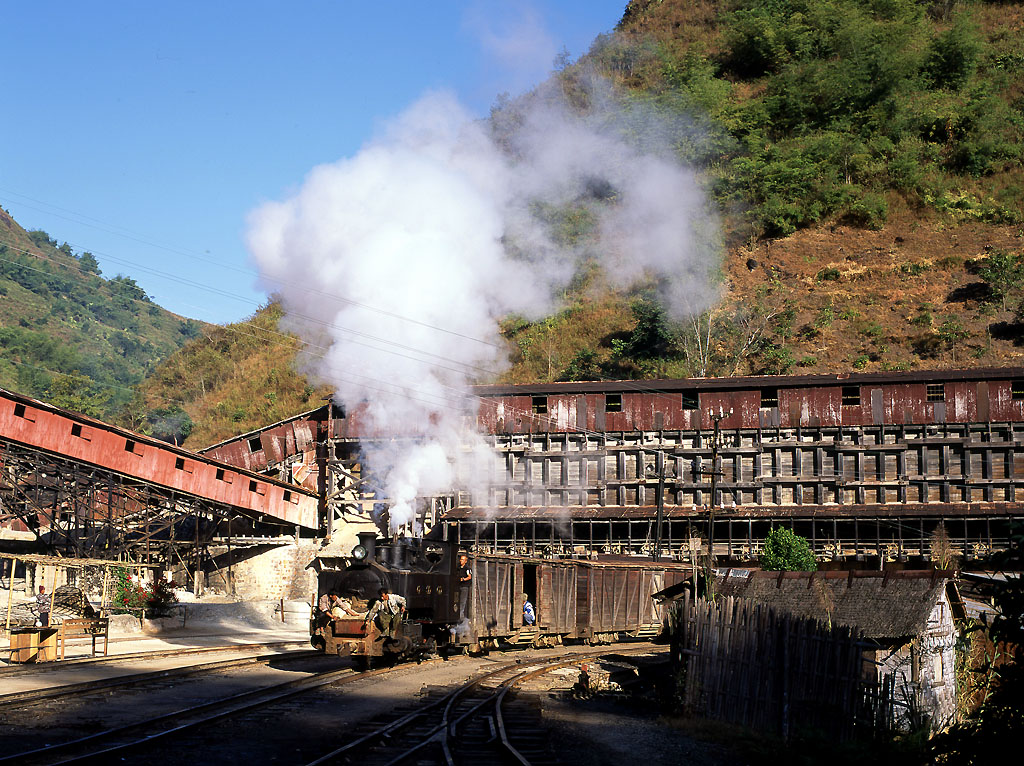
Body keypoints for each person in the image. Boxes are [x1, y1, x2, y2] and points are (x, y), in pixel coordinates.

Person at [457, 553, 472, 621]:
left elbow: (469, 577)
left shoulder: (467, 568)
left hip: (464, 586)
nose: (461, 561)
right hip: (458, 586)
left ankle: (460, 616)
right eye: (461, 559)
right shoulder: (458, 568)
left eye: (463, 560)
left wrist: (463, 579)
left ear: (465, 561)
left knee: (462, 601)